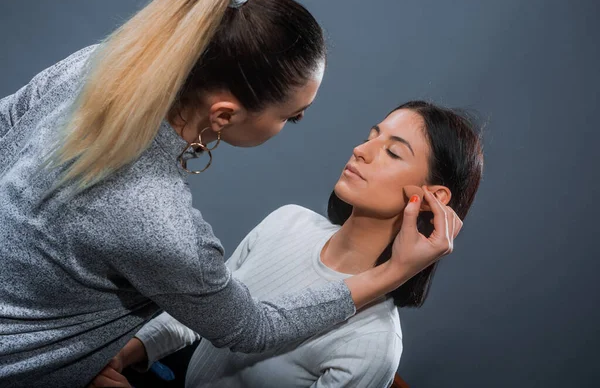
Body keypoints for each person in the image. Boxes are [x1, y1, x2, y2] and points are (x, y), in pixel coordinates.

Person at [0, 0, 461, 386]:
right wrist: (395, 271)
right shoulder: (173, 220)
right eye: (290, 117)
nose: (360, 150)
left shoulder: (99, 64)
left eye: (393, 151)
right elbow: (248, 327)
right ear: (223, 116)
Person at [91, 101, 483, 388]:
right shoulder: (288, 220)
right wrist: (130, 351)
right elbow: (202, 310)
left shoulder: (373, 344)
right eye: (370, 137)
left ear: (434, 197)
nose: (361, 150)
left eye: (393, 152)